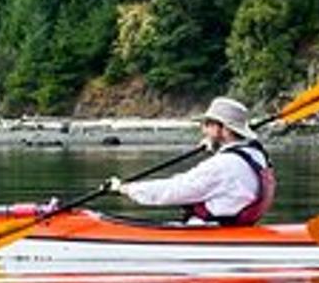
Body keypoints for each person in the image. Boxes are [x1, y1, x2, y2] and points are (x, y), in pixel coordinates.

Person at [105, 96, 276, 226]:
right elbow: (229, 177)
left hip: (211, 231)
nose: (203, 129)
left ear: (222, 128)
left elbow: (174, 190)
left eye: (208, 124)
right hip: (234, 226)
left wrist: (125, 189)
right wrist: (217, 146)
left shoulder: (223, 165)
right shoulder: (257, 154)